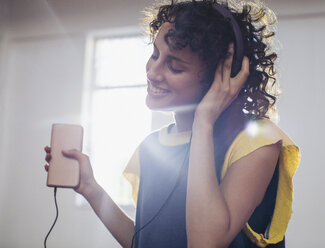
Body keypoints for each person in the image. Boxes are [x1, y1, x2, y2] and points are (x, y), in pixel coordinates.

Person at [44, 0, 300, 247]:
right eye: (155, 54)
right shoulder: (151, 147)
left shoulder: (257, 141)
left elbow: (205, 242)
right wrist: (91, 188)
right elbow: (146, 241)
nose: (153, 72)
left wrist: (203, 123)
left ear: (220, 77)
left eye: (174, 67)